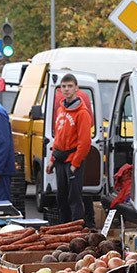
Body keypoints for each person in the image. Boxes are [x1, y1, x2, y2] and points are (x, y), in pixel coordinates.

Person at [46, 74, 92, 222]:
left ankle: (76, 231)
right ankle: (64, 229)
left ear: (76, 88)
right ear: (60, 89)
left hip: (72, 161)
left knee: (74, 199)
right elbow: (58, 138)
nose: (67, 89)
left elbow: (84, 142)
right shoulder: (60, 110)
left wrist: (75, 163)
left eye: (70, 86)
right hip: (60, 159)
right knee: (61, 198)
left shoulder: (82, 113)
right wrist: (52, 159)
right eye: (64, 86)